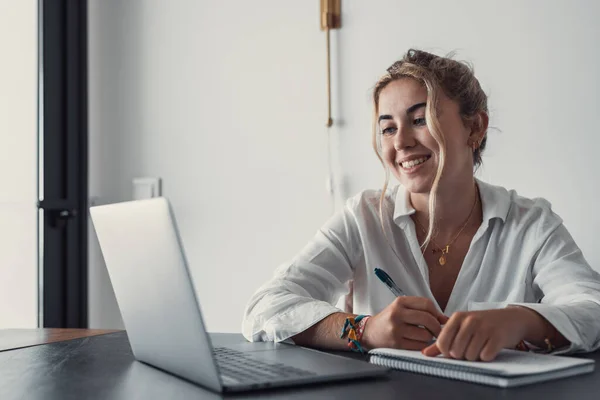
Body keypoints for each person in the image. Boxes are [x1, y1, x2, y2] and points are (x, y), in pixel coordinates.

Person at [241, 49, 600, 361]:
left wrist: (522, 320)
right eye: (387, 128)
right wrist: (365, 330)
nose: (402, 143)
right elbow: (265, 307)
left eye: (419, 120)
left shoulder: (531, 223)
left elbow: (593, 309)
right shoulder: (362, 217)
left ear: (474, 128)